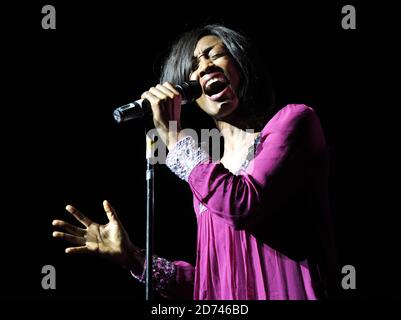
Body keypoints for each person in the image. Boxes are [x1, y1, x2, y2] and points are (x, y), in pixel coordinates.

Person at [52, 24, 337, 300]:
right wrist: (134, 258)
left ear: (241, 62)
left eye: (214, 54)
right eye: (193, 67)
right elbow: (213, 283)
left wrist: (173, 136)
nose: (204, 67)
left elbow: (242, 204)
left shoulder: (294, 121)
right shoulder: (207, 176)